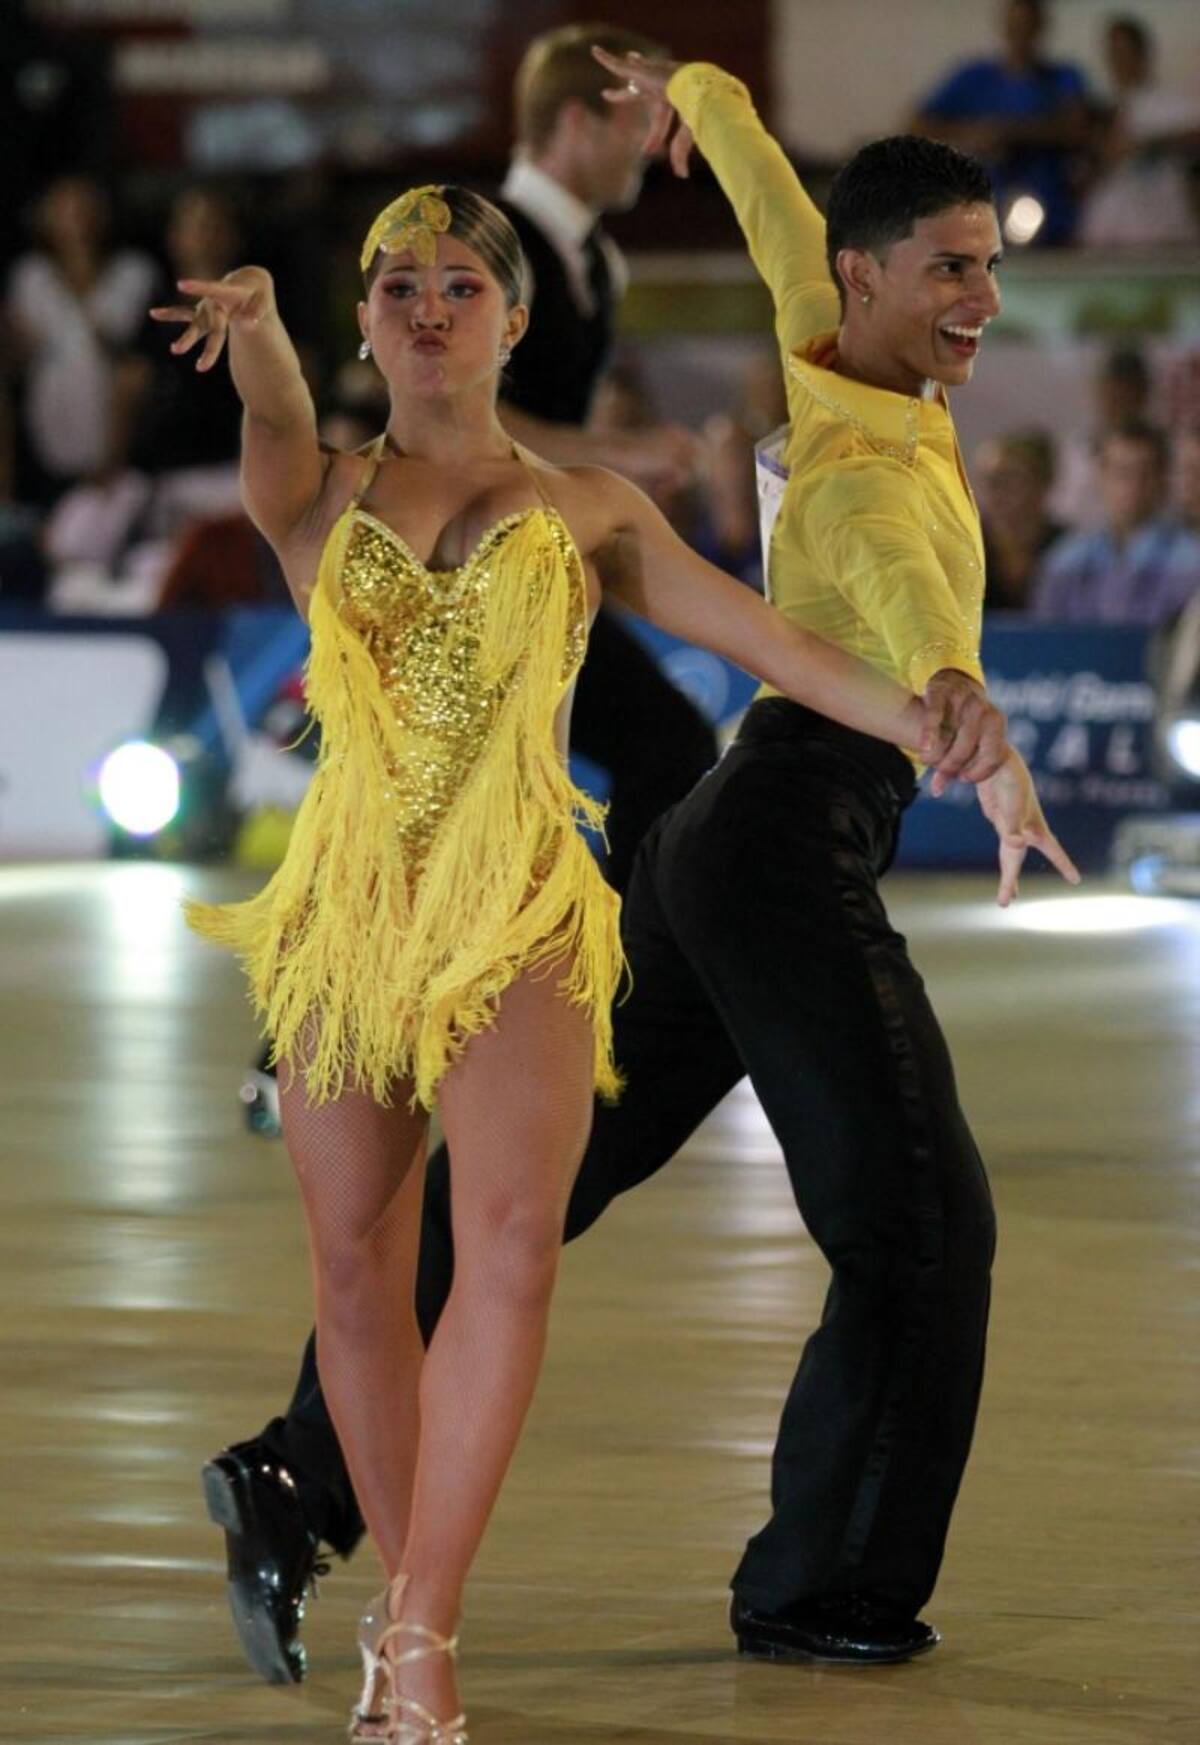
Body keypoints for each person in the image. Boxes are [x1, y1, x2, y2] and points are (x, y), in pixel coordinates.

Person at [206, 48, 1079, 1691]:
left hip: (693, 846)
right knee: (921, 1221)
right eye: (951, 267)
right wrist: (954, 694)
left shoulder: (824, 351)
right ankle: (826, 1586)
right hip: (768, 844)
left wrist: (704, 88)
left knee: (534, 1199)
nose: (978, 295)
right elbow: (898, 597)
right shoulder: (871, 460)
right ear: (870, 276)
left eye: (987, 266)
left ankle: (304, 1487)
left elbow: (769, 212)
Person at [910, 0, 1091, 246]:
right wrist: (972, 134)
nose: (1021, 36)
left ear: (1040, 29)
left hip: (1049, 211)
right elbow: (918, 123)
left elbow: (1077, 129)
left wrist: (1013, 133)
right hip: (981, 212)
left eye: (1027, 28)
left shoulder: (1062, 78)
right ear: (1004, 29)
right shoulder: (974, 77)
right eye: (1015, 27)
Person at [1032, 418, 1200, 624]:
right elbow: (1045, 638)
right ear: (1100, 476)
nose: (1134, 485)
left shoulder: (1191, 560)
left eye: (1146, 473)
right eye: (1122, 472)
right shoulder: (1064, 560)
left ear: (1163, 479)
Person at [1078, 15, 1200, 250]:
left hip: (1162, 235)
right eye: (1114, 54)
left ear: (1143, 53)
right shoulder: (1103, 110)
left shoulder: (1169, 106)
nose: (1120, 62)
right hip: (1107, 236)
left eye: (1125, 52)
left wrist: (1148, 144)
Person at [975, 427, 1064, 609]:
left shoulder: (1070, 550)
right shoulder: (961, 548)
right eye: (989, 479)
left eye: (1009, 478)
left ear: (1043, 484)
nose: (996, 490)